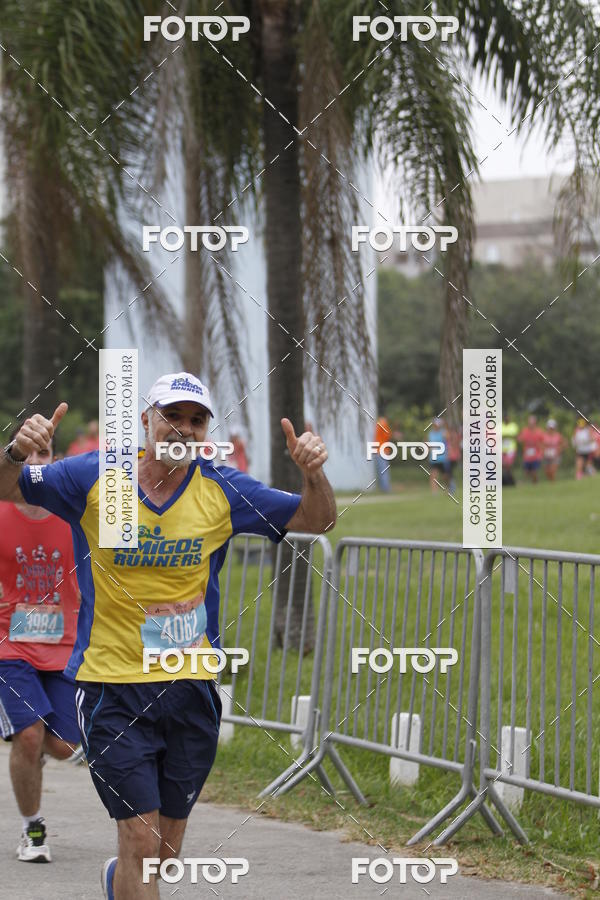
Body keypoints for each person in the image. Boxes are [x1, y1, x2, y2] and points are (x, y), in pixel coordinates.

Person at [0, 371, 335, 899]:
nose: (183, 429)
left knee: (165, 854)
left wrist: (313, 474)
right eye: (171, 417)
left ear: (207, 430)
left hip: (189, 688)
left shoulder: (222, 488)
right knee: (140, 838)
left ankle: (120, 881)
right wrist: (17, 452)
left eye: (196, 420)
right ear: (146, 421)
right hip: (112, 684)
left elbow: (316, 520)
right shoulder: (97, 477)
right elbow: (5, 485)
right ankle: (127, 870)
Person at [0, 429, 81, 863]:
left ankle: (29, 756)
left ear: (56, 458)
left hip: (65, 647)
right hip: (10, 647)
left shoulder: (74, 514)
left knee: (63, 746)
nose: (35, 461)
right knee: (29, 737)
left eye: (43, 453)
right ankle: (33, 830)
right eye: (25, 453)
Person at [517, 415, 545, 484]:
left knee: (534, 471)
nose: (531, 424)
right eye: (530, 422)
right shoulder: (525, 431)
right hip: (527, 456)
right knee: (526, 471)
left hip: (536, 455)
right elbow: (519, 439)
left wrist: (541, 451)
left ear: (535, 423)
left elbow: (543, 441)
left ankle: (535, 483)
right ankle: (532, 482)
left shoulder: (539, 431)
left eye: (532, 422)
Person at [428, 417, 448, 492]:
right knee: (433, 475)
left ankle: (447, 489)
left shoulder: (443, 432)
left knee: (445, 476)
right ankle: (434, 492)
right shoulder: (430, 433)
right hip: (433, 458)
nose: (436, 426)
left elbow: (448, 439)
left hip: (442, 458)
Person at [372, 415, 392, 493]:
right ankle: (386, 488)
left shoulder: (378, 423)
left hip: (378, 450)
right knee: (384, 470)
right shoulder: (383, 423)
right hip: (383, 450)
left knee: (381, 470)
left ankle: (383, 487)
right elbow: (387, 435)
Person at [501, 414, 519, 486]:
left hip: (510, 449)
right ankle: (505, 479)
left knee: (508, 465)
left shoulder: (513, 426)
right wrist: (507, 436)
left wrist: (505, 436)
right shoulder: (500, 426)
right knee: (503, 465)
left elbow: (515, 436)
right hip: (502, 449)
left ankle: (510, 479)